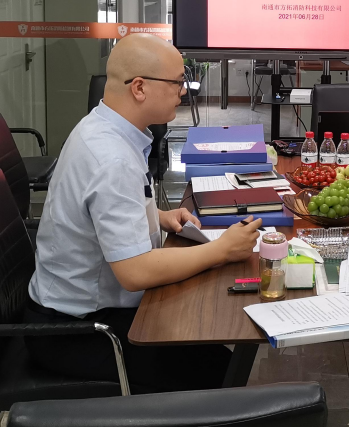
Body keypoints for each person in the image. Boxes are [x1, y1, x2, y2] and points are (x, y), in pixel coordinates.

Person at [24, 33, 263, 393]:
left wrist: (158, 217)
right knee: (221, 375)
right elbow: (135, 272)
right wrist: (222, 249)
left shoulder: (106, 128)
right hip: (79, 331)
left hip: (85, 310)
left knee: (212, 347)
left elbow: (104, 211)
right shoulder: (111, 157)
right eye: (177, 82)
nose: (183, 91)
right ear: (139, 88)